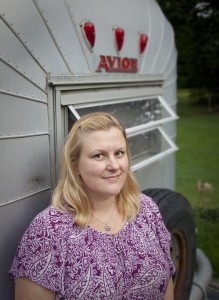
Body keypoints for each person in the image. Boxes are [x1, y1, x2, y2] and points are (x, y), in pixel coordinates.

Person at [10, 112, 175, 300]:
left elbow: (167, 283)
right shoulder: (48, 232)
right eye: (99, 155)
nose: (114, 165)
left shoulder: (146, 209)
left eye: (119, 153)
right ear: (75, 166)